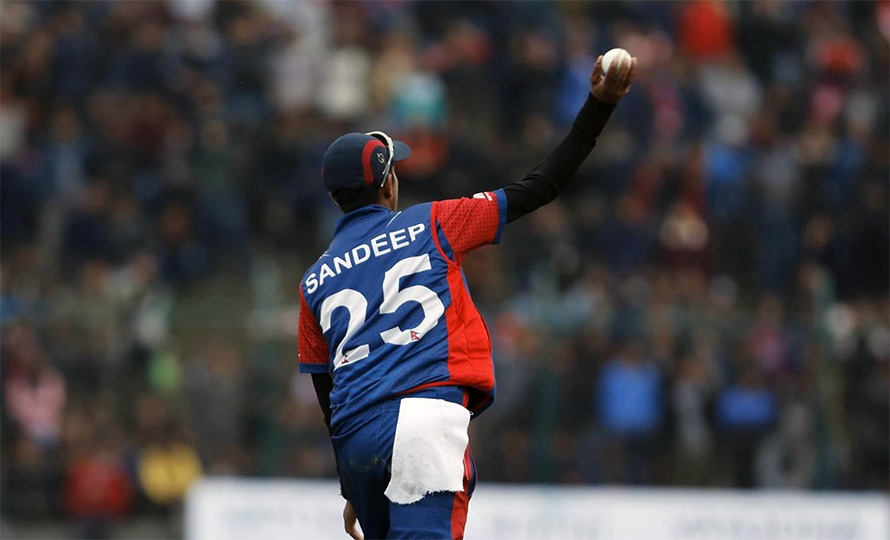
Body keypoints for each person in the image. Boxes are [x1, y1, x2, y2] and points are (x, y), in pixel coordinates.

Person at [298, 53, 637, 540]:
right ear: (389, 183)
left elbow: (325, 388)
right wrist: (600, 106)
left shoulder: (313, 280)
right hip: (421, 422)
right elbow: (542, 185)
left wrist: (349, 482)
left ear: (334, 198)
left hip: (355, 441)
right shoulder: (434, 222)